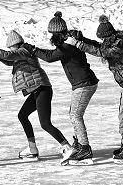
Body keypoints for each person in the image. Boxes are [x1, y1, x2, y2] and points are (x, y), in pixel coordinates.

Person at [0, 30, 74, 162]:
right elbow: (9, 61)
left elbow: (8, 56)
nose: (10, 49)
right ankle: (32, 148)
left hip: (42, 89)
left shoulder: (24, 51)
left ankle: (67, 147)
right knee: (22, 115)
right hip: (37, 91)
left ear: (15, 45)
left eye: (10, 47)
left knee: (45, 124)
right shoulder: (20, 54)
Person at [65, 15, 123, 163]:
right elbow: (99, 46)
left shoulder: (118, 45)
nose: (102, 41)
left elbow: (101, 52)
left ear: (107, 36)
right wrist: (83, 39)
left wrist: (78, 44)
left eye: (102, 38)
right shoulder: (112, 41)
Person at [22, 12, 99, 165]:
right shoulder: (68, 41)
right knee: (74, 114)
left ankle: (85, 148)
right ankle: (79, 144)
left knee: (75, 115)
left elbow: (50, 57)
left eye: (52, 33)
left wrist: (33, 49)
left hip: (84, 83)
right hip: (83, 83)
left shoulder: (68, 44)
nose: (51, 36)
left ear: (57, 33)